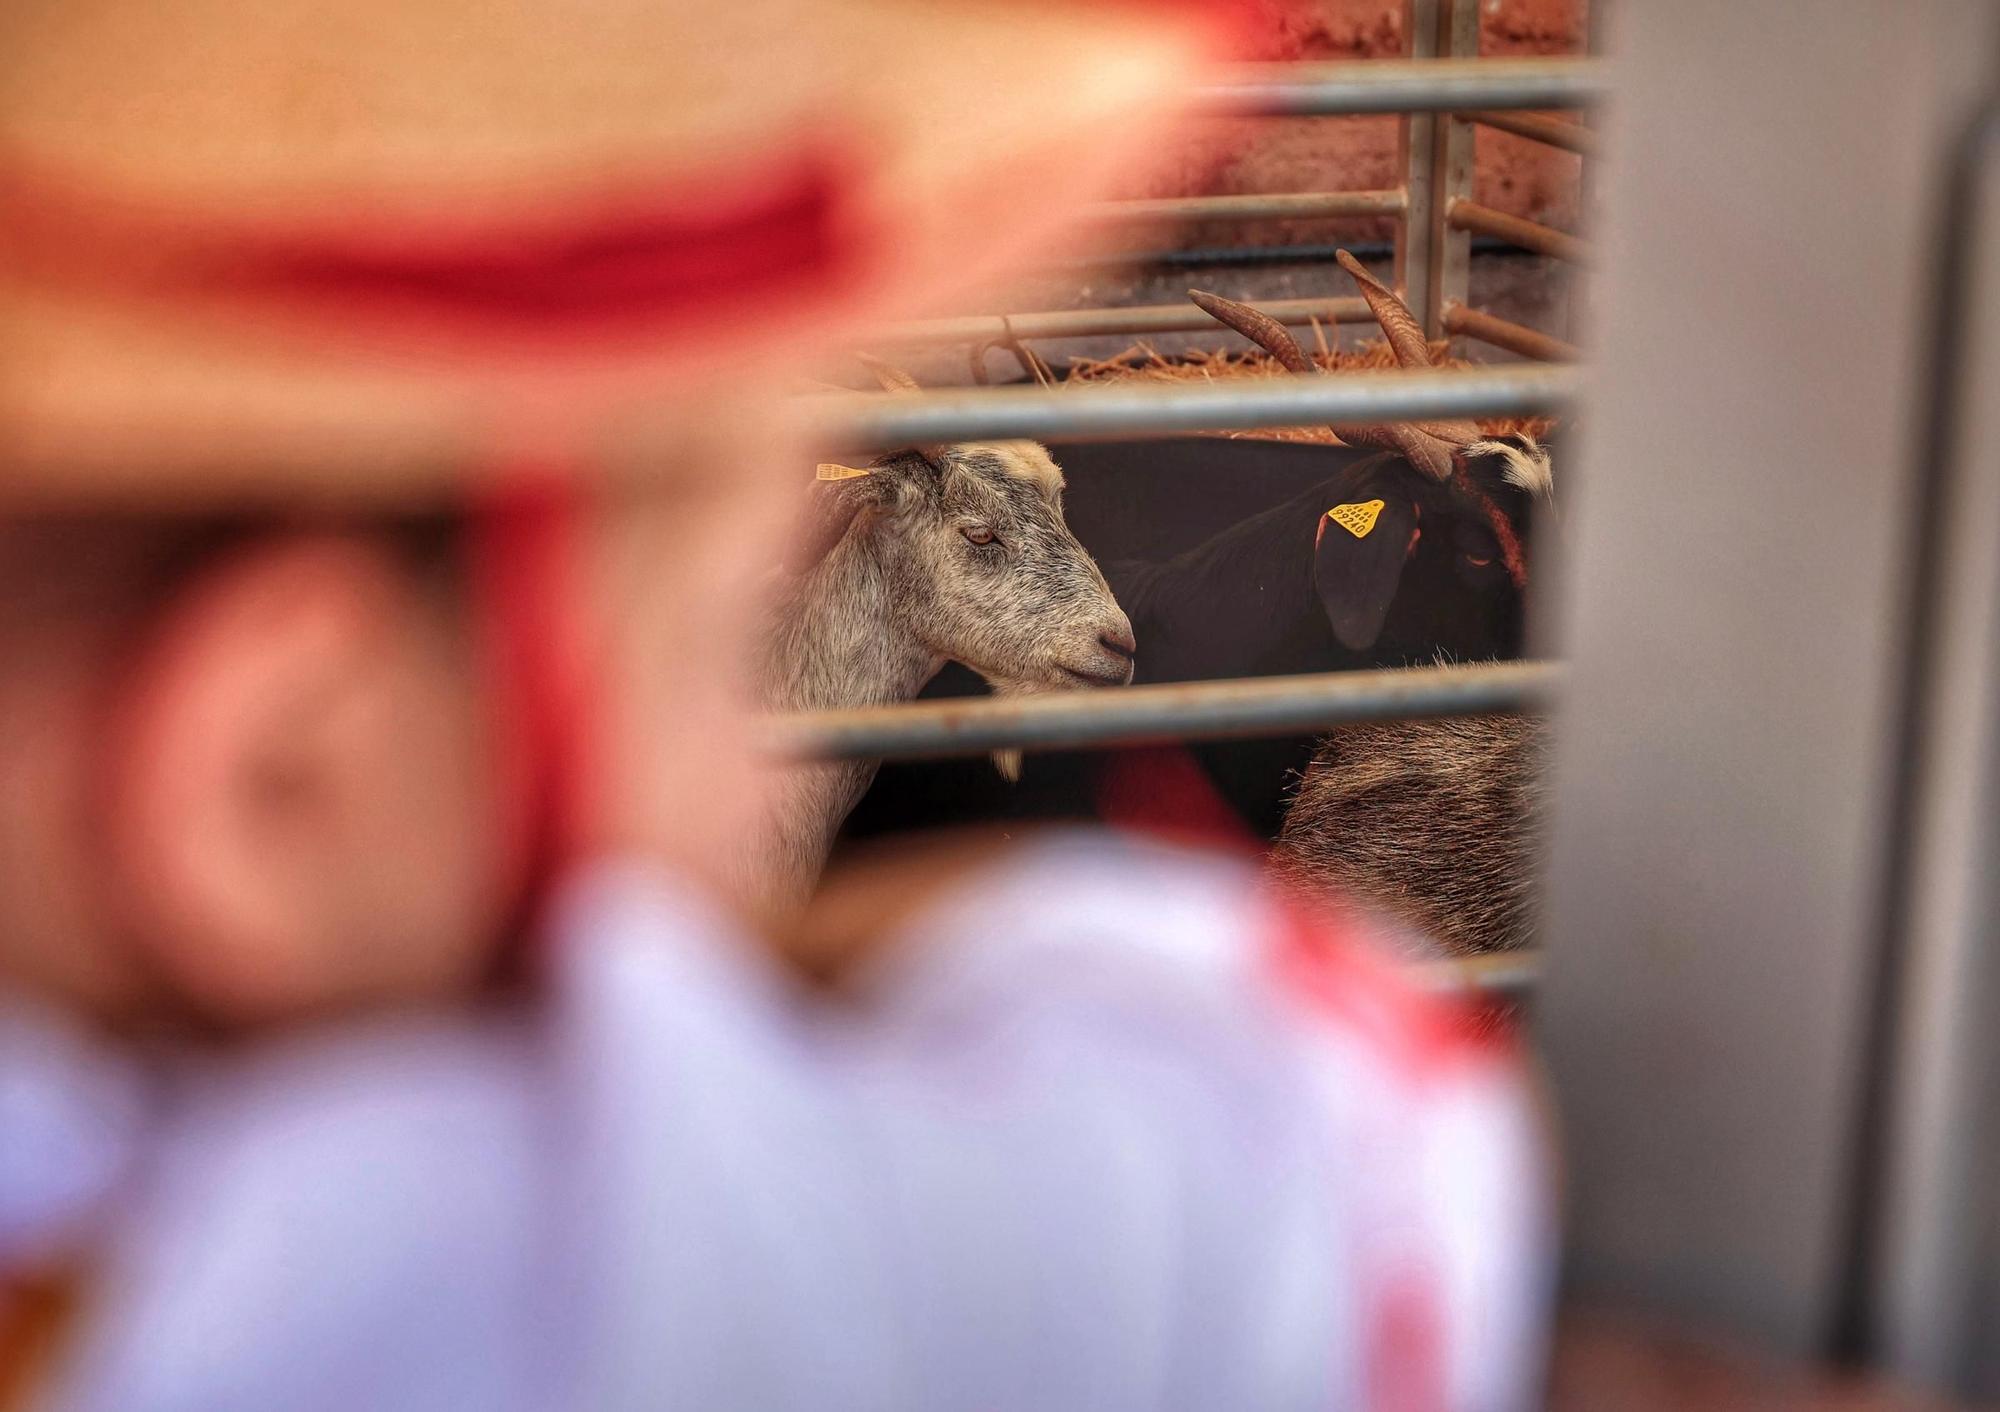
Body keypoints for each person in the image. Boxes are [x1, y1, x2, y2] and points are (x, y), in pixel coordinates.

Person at [0, 1, 1553, 1407]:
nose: (761, 777)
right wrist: (805, 956)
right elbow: (1343, 1135)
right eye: (702, 652)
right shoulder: (541, 1290)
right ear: (282, 779)